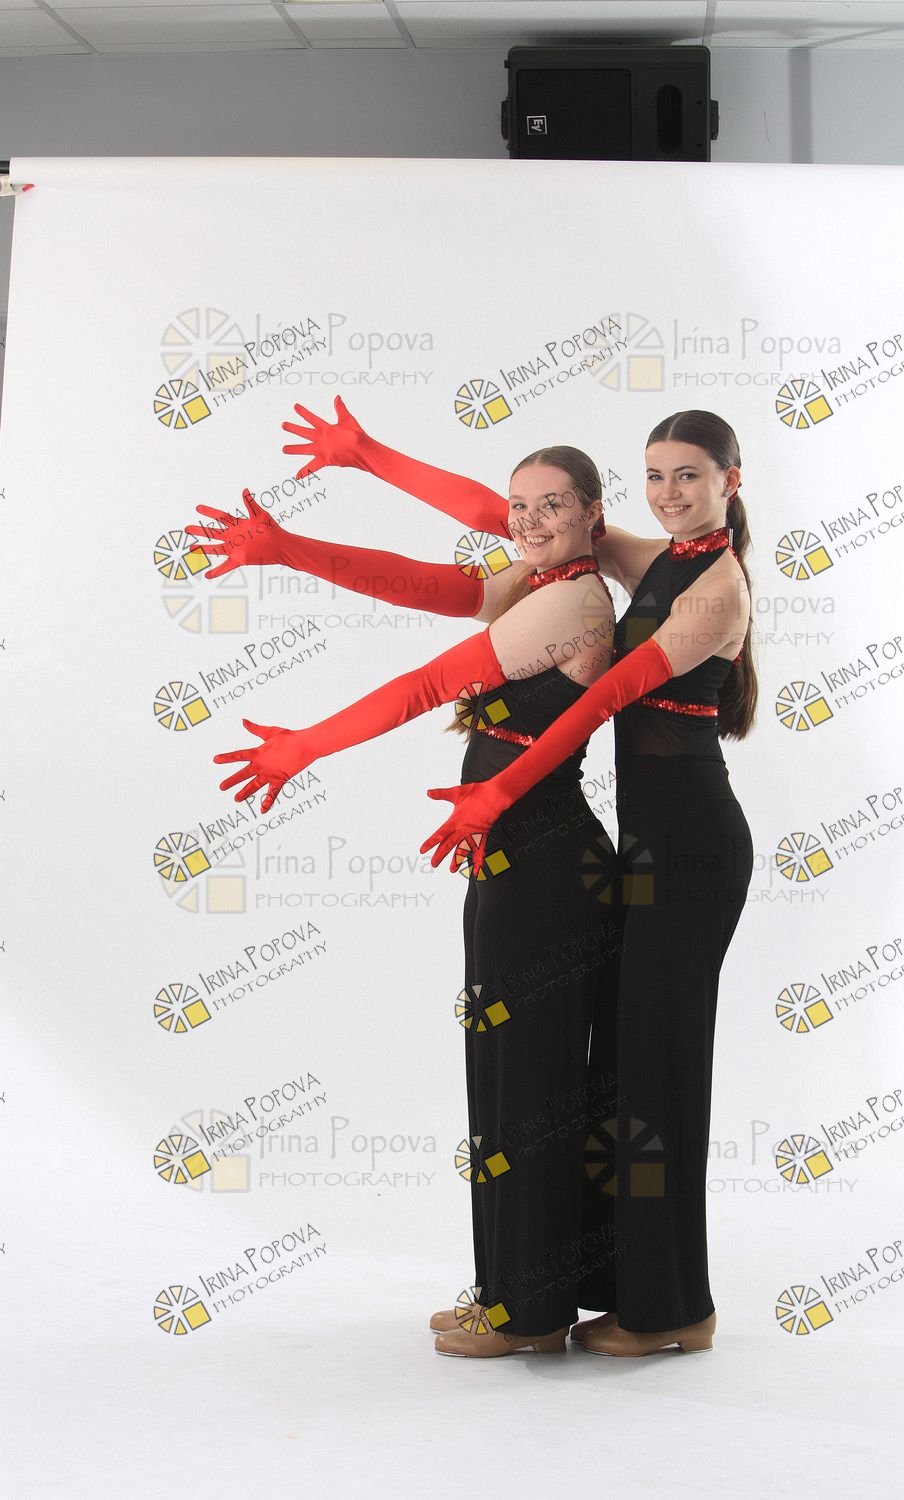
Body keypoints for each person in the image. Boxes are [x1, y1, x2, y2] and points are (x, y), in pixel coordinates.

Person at [281, 400, 756, 1357]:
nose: (668, 493)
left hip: (691, 853)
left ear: (729, 482)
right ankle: (606, 1290)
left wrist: (498, 789)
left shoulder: (715, 588)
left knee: (657, 1077)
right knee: (617, 1078)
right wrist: (369, 454)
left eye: (688, 476)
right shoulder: (659, 557)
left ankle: (671, 1307)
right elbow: (502, 516)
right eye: (656, 475)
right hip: (640, 850)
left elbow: (610, 694)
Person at [183, 452, 624, 1358]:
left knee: (530, 1085)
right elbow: (420, 583)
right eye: (517, 506)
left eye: (551, 505)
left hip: (547, 868)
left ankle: (531, 1312)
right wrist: (292, 541)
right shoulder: (536, 581)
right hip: (516, 858)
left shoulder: (573, 602)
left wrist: (304, 747)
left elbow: (428, 684)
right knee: (505, 1076)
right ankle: (509, 1292)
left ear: (592, 513)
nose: (527, 520)